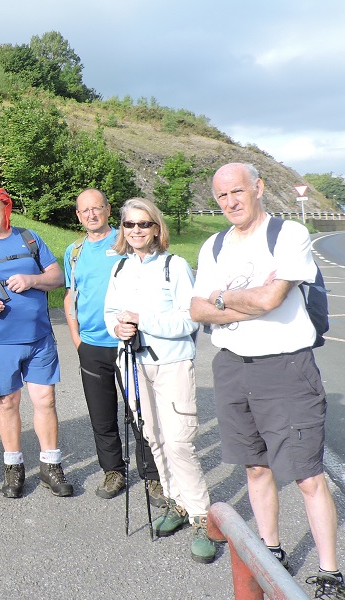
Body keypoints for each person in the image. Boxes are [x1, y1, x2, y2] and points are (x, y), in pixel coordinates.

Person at [191, 163, 342, 594]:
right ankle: (271, 549)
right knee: (256, 467)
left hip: (286, 368)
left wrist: (222, 298)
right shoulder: (213, 246)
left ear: (257, 188)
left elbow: (274, 299)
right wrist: (241, 299)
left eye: (237, 191)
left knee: (308, 474)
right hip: (232, 367)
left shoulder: (287, 234)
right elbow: (198, 309)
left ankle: (330, 572)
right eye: (221, 196)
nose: (230, 202)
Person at [104, 198, 215, 564]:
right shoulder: (119, 268)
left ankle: (202, 518)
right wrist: (117, 326)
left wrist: (143, 318)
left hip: (172, 365)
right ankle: (176, 503)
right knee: (152, 437)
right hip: (132, 363)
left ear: (156, 228)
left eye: (143, 224)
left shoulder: (174, 266)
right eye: (129, 225)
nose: (136, 230)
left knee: (180, 441)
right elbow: (110, 313)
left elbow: (190, 321)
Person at [0, 187, 72, 499]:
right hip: (0, 342)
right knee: (8, 402)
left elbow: (56, 276)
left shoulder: (30, 239)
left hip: (39, 338)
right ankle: (14, 468)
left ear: (6, 207)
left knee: (45, 401)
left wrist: (31, 280)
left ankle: (51, 466)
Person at [63, 189, 166, 505]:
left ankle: (153, 477)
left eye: (97, 208)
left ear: (108, 211)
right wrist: (77, 340)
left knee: (141, 413)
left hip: (128, 345)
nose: (91, 214)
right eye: (85, 210)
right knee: (102, 416)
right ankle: (114, 472)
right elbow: (71, 296)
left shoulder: (125, 242)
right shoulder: (74, 251)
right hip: (91, 346)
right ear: (78, 216)